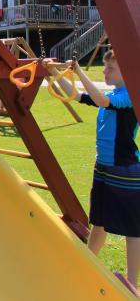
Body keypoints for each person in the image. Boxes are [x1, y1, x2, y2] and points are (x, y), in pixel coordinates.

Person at [46, 51, 140, 287]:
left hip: (125, 170)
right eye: (105, 67)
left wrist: (78, 71)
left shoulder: (130, 96)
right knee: (98, 220)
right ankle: (87, 264)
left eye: (110, 69)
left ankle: (132, 281)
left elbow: (102, 102)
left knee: (133, 228)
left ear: (127, 72)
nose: (104, 72)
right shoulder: (113, 93)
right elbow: (75, 95)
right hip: (104, 168)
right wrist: (53, 73)